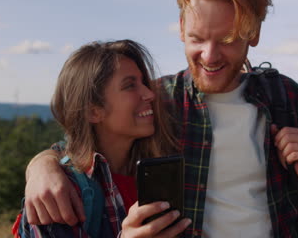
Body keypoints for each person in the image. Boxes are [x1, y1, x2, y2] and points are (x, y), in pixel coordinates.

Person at [24, 0, 298, 237]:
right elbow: (87, 145)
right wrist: (42, 166)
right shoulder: (161, 100)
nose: (209, 56)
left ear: (254, 33)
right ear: (180, 27)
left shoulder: (285, 96)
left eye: (228, 40)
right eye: (197, 38)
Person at [14, 40, 191, 237]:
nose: (149, 94)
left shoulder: (154, 172)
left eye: (143, 82)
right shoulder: (61, 193)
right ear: (93, 111)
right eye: (130, 86)